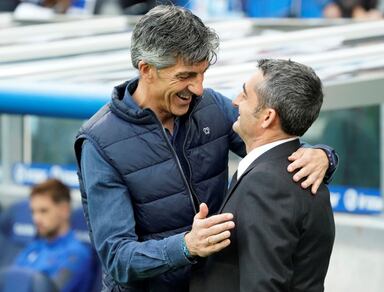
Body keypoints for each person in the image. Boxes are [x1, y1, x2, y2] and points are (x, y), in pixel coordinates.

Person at [74, 5, 338, 291]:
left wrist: (322, 155)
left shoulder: (210, 106)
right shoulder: (99, 142)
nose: (198, 88)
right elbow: (117, 258)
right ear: (147, 70)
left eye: (202, 74)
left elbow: (268, 141)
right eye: (186, 76)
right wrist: (186, 246)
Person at [190, 59, 335, 292]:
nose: (235, 102)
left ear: (267, 117)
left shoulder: (266, 183)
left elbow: (264, 284)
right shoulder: (307, 174)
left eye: (245, 95)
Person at [13, 179, 94, 292]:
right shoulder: (33, 248)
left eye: (43, 211)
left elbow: (53, 289)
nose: (36, 219)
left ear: (64, 210)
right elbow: (11, 282)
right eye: (33, 212)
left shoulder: (76, 254)